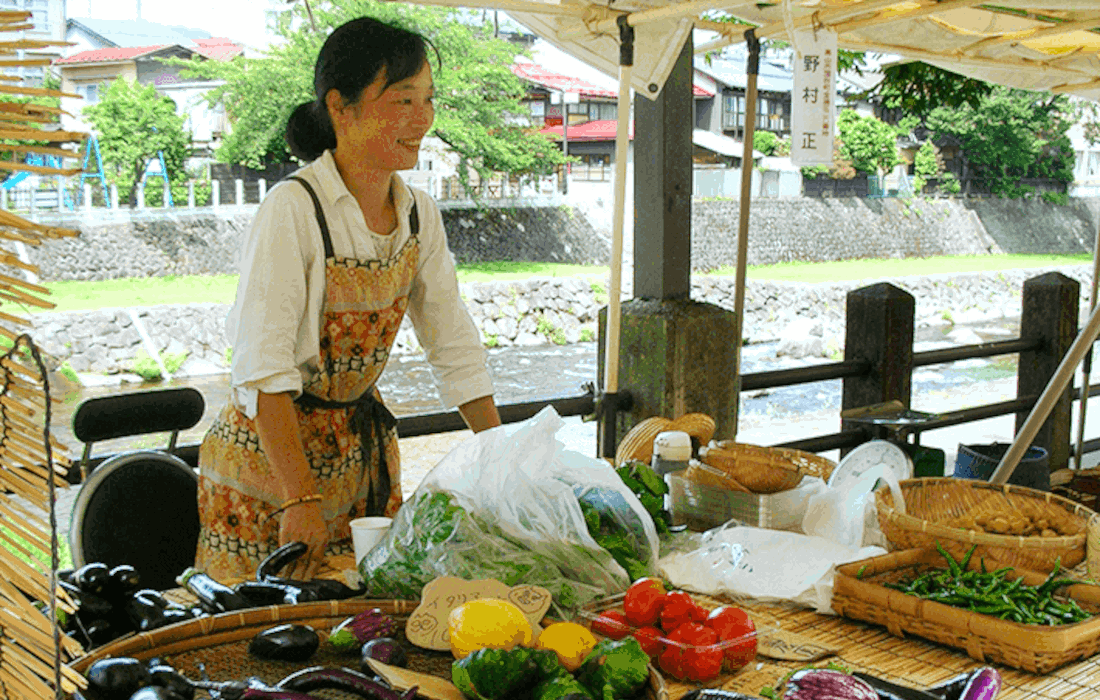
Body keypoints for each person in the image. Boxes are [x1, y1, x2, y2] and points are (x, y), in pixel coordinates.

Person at [194, 16, 500, 583]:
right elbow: (263, 368)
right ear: (341, 106)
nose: (422, 118)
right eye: (402, 99)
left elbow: (452, 341)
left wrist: (504, 459)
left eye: (428, 99)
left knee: (361, 621)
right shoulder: (294, 209)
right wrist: (298, 499)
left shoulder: (417, 213)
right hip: (271, 467)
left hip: (357, 459)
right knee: (259, 635)